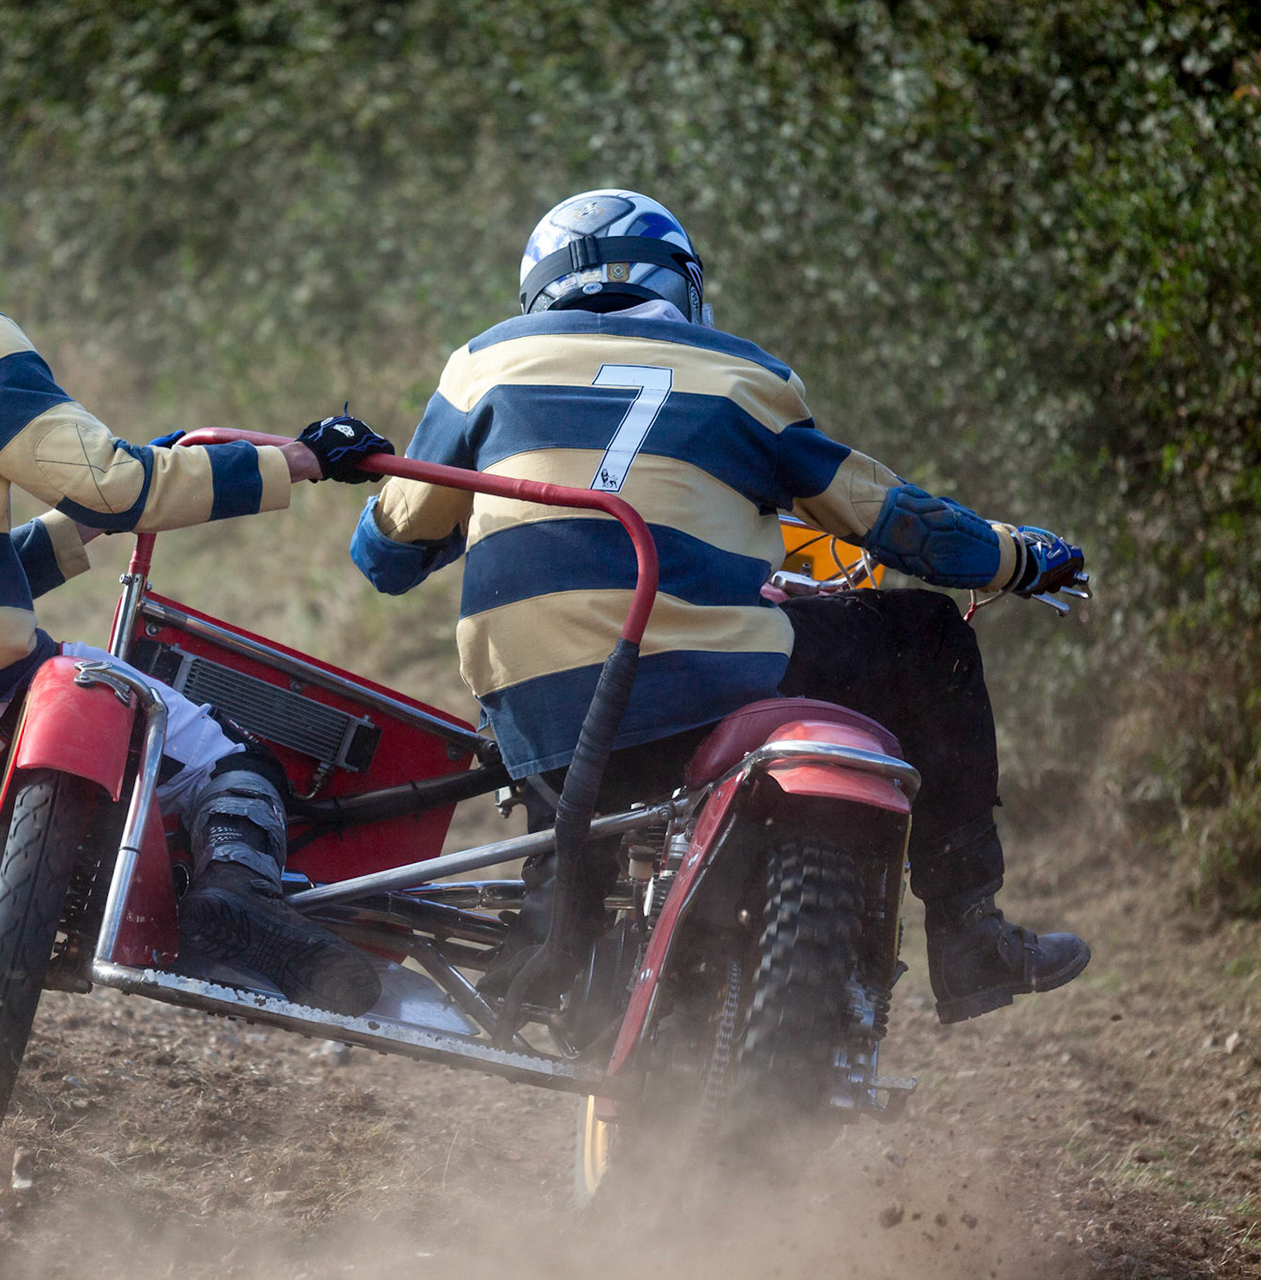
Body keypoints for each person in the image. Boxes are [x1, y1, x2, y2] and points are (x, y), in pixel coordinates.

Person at [347, 189, 1090, 1025]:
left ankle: (568, 924)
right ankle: (967, 930)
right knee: (928, 638)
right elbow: (893, 522)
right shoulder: (744, 379)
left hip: (539, 707)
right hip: (705, 682)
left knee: (561, 756)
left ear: (537, 292)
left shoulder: (483, 364)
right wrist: (1019, 556)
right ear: (682, 282)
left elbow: (384, 557)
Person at [0, 137, 394, 1014]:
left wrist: (84, 520)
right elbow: (123, 484)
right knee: (230, 758)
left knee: (60, 675)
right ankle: (236, 905)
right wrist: (307, 461)